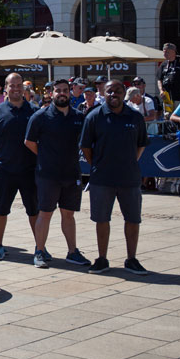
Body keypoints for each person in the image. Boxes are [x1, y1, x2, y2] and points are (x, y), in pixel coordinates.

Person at [80, 79, 149, 275]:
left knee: (133, 219)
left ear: (124, 93)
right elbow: (85, 147)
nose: (113, 95)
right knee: (102, 219)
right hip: (102, 178)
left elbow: (141, 144)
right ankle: (102, 259)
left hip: (129, 177)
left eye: (118, 91)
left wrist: (130, 161)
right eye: (110, 91)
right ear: (104, 92)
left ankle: (131, 259)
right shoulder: (94, 116)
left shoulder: (135, 117)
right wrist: (98, 165)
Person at [24, 79, 90, 268]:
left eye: (65, 90)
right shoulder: (40, 116)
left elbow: (85, 141)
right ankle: (39, 251)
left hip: (71, 174)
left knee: (68, 215)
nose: (62, 93)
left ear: (69, 93)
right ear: (51, 94)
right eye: (58, 91)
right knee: (45, 213)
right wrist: (46, 155)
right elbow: (29, 142)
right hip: (48, 175)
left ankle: (72, 252)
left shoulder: (78, 116)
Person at [0, 73, 38, 262]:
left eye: (18, 85)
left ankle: (40, 248)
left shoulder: (33, 111)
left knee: (34, 211)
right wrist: (2, 151)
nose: (15, 89)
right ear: (5, 88)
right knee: (0, 210)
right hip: (4, 169)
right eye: (11, 85)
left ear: (23, 88)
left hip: (29, 169)